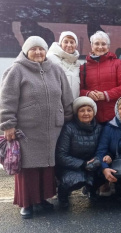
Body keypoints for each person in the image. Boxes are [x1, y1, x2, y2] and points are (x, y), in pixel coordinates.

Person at [0, 36, 73, 219]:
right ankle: (26, 203)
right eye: (34, 49)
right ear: (26, 51)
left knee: (47, 166)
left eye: (41, 48)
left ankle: (41, 199)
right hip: (27, 130)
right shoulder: (16, 70)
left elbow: (67, 97)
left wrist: (68, 117)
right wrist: (7, 125)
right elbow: (7, 100)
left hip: (52, 129)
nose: (38, 52)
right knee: (28, 167)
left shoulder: (55, 69)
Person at [55, 96, 103, 208]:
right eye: (82, 110)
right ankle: (63, 194)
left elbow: (104, 149)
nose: (86, 113)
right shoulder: (68, 128)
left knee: (104, 172)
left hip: (92, 165)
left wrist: (97, 161)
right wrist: (83, 164)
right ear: (76, 113)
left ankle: (92, 189)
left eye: (89, 110)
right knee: (78, 179)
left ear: (94, 112)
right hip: (72, 167)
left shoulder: (99, 128)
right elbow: (61, 155)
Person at [80, 31, 121, 124]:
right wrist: (88, 94)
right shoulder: (84, 67)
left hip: (113, 116)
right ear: (91, 46)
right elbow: (79, 90)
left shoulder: (117, 63)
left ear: (108, 47)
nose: (100, 47)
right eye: (97, 44)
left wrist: (105, 95)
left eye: (103, 44)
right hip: (92, 117)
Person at [47, 31, 81, 99]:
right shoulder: (50, 59)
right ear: (60, 44)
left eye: (72, 42)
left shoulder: (78, 64)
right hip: (57, 105)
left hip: (74, 104)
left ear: (76, 45)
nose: (69, 45)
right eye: (66, 42)